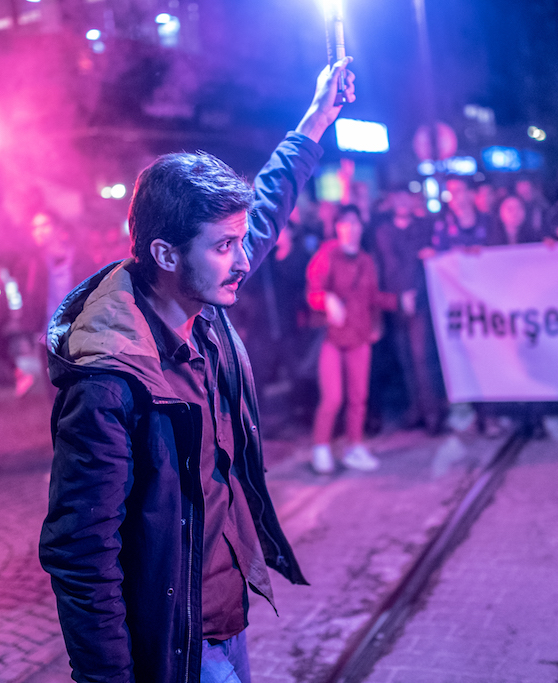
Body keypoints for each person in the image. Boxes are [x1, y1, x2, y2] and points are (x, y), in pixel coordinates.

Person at [39, 58, 355, 683]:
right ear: (164, 253)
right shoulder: (110, 380)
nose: (243, 261)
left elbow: (262, 210)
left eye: (239, 243)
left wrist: (318, 118)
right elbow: (80, 552)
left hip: (223, 619)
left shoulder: (200, 301)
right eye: (223, 247)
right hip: (177, 646)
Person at [306, 205, 397, 474]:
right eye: (345, 223)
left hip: (359, 334)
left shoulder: (366, 260)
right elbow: (313, 293)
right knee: (333, 397)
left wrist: (397, 303)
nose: (351, 228)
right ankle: (320, 445)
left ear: (361, 227)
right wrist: (327, 299)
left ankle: (354, 445)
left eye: (355, 223)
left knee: (359, 396)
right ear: (338, 227)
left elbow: (372, 297)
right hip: (332, 336)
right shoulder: (326, 256)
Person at [373, 188, 440, 433]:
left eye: (406, 198)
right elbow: (389, 266)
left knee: (423, 358)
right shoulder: (383, 231)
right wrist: (397, 297)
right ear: (391, 202)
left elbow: (426, 261)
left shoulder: (425, 227)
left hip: (421, 299)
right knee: (406, 359)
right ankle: (417, 409)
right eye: (397, 198)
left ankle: (433, 412)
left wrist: (414, 292)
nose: (401, 202)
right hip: (396, 301)